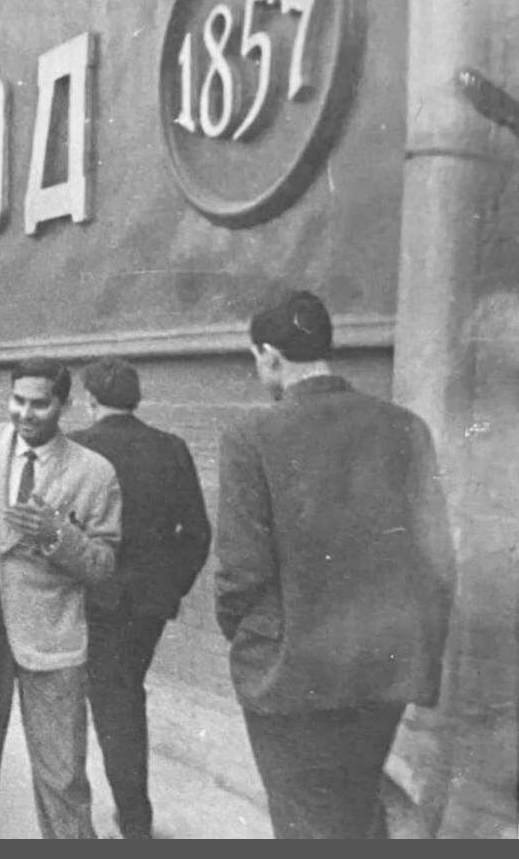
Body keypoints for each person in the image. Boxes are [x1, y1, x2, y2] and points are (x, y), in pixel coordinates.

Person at [215, 291, 456, 839]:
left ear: (269, 355)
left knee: (306, 825)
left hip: (290, 677)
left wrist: (249, 640)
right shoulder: (407, 427)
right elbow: (439, 562)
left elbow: (240, 573)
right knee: (356, 812)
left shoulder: (250, 436)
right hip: (383, 673)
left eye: (257, 359)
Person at [0, 357, 121, 839]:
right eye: (17, 400)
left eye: (39, 404)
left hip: (51, 635)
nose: (25, 413)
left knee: (62, 772)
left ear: (64, 405)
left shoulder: (94, 471)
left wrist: (57, 535)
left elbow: (104, 565)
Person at [69, 357, 212, 839]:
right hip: (149, 606)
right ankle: (132, 817)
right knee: (123, 696)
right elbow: (196, 533)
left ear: (90, 400)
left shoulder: (78, 447)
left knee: (112, 703)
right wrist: (170, 588)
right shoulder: (171, 448)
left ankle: (133, 822)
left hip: (96, 600)